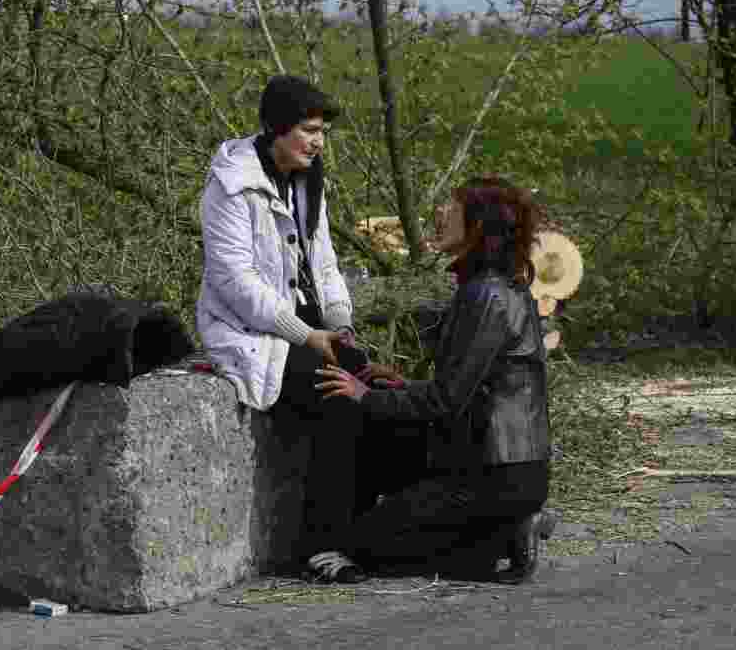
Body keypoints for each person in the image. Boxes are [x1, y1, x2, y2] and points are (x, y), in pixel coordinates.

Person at [316, 177, 556, 583]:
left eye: (453, 206)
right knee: (376, 530)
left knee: (365, 545)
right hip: (503, 469)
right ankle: (502, 535)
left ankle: (499, 542)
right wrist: (402, 385)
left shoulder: (488, 296)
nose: (441, 213)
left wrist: (364, 396)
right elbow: (472, 386)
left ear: (478, 225)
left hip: (495, 475)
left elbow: (446, 400)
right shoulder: (490, 289)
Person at [196, 74, 369, 582]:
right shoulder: (231, 185)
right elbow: (234, 282)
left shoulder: (308, 179)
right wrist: (308, 335)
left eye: (323, 132)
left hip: (308, 330)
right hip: (253, 333)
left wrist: (341, 326)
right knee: (337, 399)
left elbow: (326, 261)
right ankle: (321, 548)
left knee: (375, 390)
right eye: (309, 130)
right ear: (276, 129)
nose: (318, 142)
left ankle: (378, 532)